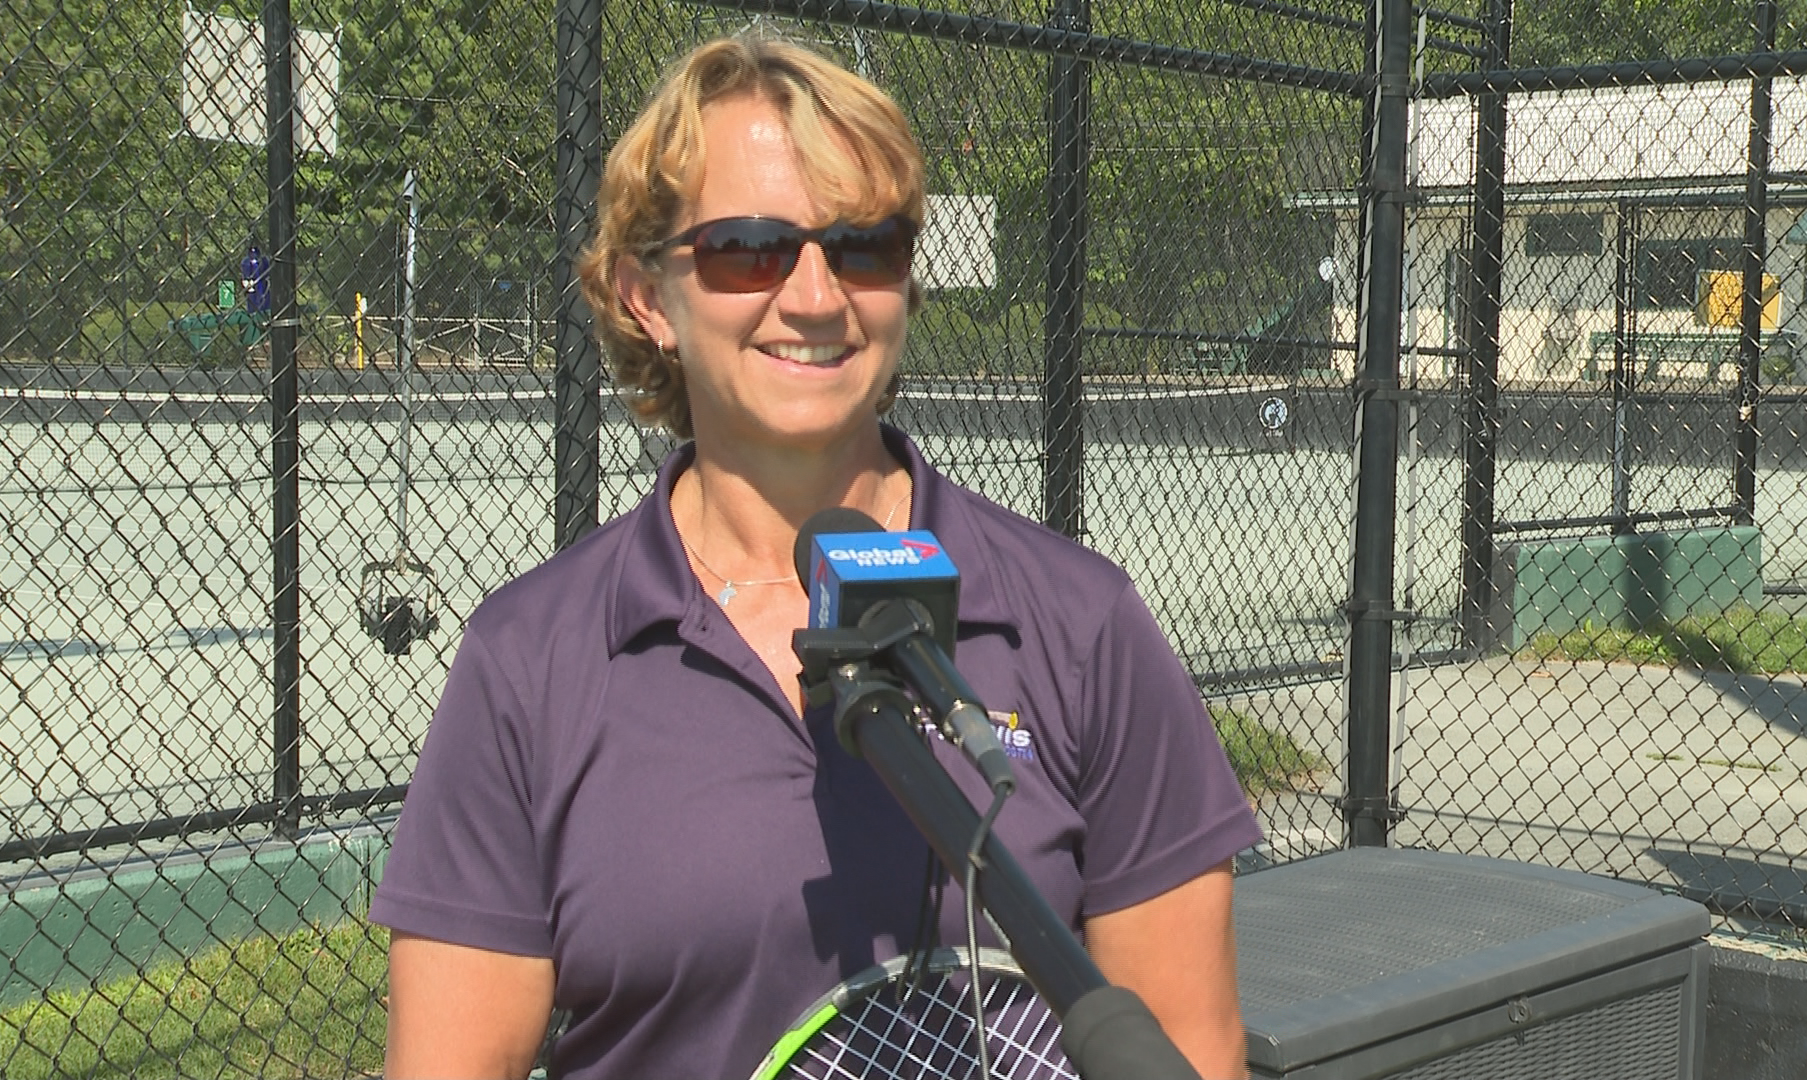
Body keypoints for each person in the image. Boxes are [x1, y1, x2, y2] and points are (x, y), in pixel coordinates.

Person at [370, 33, 1261, 1080]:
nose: (816, 294)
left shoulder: (1078, 623)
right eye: (751, 248)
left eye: (863, 245)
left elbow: (1188, 1047)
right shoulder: (530, 661)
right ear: (646, 297)